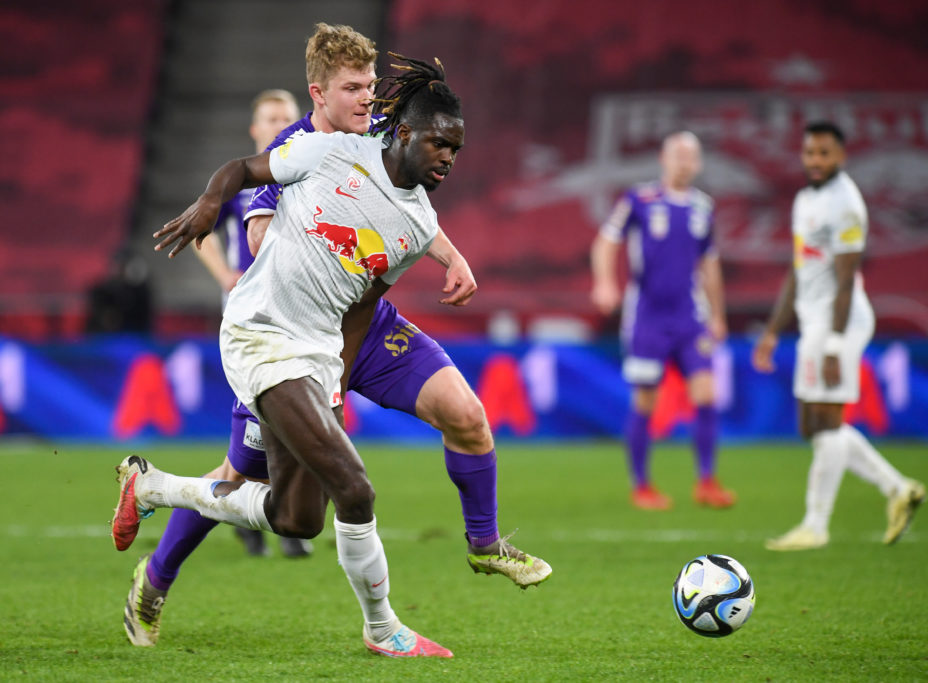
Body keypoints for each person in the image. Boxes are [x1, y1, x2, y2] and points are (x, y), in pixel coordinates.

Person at [118, 23, 550, 651]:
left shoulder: (386, 143)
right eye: (354, 88)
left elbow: (387, 258)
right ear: (319, 94)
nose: (367, 99)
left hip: (350, 329)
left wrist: (450, 259)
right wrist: (228, 212)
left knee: (460, 421)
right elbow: (261, 228)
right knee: (248, 474)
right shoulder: (308, 151)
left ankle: (485, 543)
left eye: (372, 86)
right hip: (275, 331)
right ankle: (155, 581)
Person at [753, 120, 925, 551]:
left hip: (839, 322)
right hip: (814, 321)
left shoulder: (846, 204)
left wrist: (832, 343)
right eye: (810, 152)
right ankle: (897, 487)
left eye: (824, 153)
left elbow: (846, 281)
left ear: (841, 156)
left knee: (826, 422)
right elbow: (800, 269)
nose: (815, 161)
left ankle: (816, 525)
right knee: (813, 424)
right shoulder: (805, 200)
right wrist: (773, 332)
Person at [190, 88, 313, 559]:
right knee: (270, 412)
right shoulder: (241, 179)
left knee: (287, 412)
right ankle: (262, 510)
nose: (280, 122)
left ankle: (256, 509)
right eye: (271, 118)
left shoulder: (306, 170)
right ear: (256, 129)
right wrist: (224, 274)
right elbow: (200, 228)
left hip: (300, 310)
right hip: (252, 314)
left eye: (287, 115)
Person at [591, 131, 735, 510]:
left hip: (691, 317)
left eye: (691, 156)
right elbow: (606, 241)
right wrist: (606, 283)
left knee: (706, 393)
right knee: (646, 400)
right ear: (663, 158)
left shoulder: (704, 207)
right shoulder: (639, 199)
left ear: (699, 164)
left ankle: (706, 481)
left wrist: (718, 315)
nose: (684, 162)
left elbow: (710, 263)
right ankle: (642, 486)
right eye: (678, 155)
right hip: (647, 318)